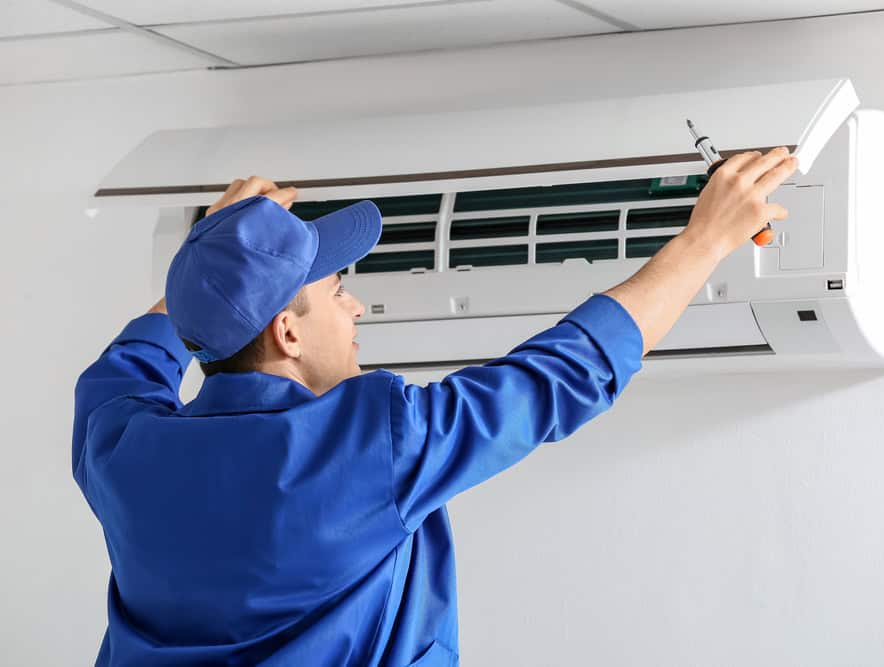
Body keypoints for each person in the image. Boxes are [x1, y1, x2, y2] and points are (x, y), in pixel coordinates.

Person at [73, 148, 797, 666]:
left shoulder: (123, 451)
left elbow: (132, 361)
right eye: (334, 292)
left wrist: (220, 257)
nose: (355, 304)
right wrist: (708, 238)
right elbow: (558, 375)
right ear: (287, 332)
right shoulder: (365, 446)